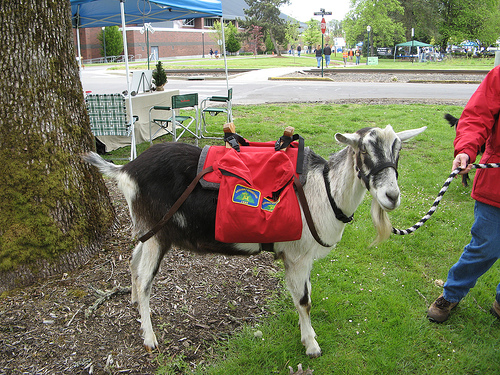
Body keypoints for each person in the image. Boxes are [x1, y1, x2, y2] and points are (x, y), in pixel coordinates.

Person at [427, 65, 500, 323]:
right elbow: (476, 116)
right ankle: (452, 293)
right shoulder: (499, 76)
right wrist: (467, 150)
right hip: (496, 185)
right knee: (485, 245)